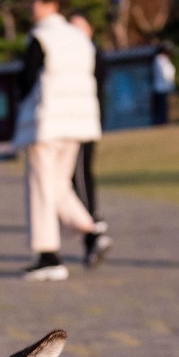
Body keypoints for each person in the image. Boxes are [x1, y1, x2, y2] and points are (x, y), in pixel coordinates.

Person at [13, 0, 104, 281]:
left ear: (49, 4)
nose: (31, 8)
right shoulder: (80, 39)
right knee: (58, 185)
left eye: (35, 2)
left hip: (48, 122)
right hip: (78, 123)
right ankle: (92, 233)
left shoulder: (41, 37)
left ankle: (48, 255)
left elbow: (26, 80)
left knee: (41, 186)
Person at [69, 15, 111, 262]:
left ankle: (93, 229)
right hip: (69, 122)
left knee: (79, 174)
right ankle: (91, 229)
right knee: (72, 178)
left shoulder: (92, 54)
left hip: (81, 122)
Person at [149, 44, 175, 125]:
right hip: (161, 88)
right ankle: (160, 124)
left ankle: (162, 123)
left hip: (162, 88)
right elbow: (166, 74)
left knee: (163, 109)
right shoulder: (160, 60)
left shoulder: (162, 60)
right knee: (161, 109)